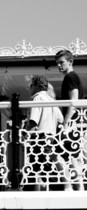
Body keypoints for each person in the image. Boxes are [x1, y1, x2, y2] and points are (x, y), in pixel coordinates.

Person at [26, 75, 70, 191]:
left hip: (40, 137)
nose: (29, 88)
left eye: (31, 85)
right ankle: (66, 184)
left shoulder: (37, 98)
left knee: (36, 167)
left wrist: (26, 137)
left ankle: (39, 190)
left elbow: (33, 122)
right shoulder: (51, 100)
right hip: (51, 137)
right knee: (51, 161)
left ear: (36, 86)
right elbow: (60, 119)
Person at [55, 49, 85, 190]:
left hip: (71, 124)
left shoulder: (70, 77)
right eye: (57, 63)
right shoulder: (73, 77)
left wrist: (66, 124)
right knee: (72, 157)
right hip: (75, 123)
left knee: (59, 155)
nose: (59, 66)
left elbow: (74, 100)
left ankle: (69, 187)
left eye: (62, 62)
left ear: (70, 62)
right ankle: (78, 187)